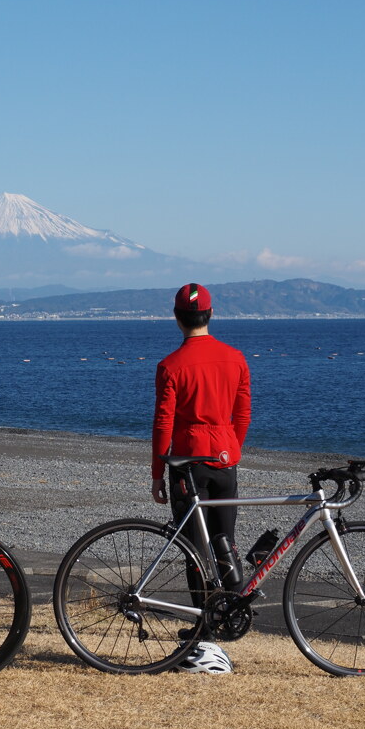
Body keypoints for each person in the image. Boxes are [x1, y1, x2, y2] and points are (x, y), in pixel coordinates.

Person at [151, 283, 251, 668]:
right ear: (210, 314)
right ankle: (225, 619)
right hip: (225, 459)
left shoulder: (171, 365)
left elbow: (163, 423)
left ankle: (203, 634)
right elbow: (242, 414)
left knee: (194, 550)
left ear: (177, 318)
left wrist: (158, 471)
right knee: (225, 542)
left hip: (187, 465)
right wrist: (231, 445)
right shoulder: (236, 358)